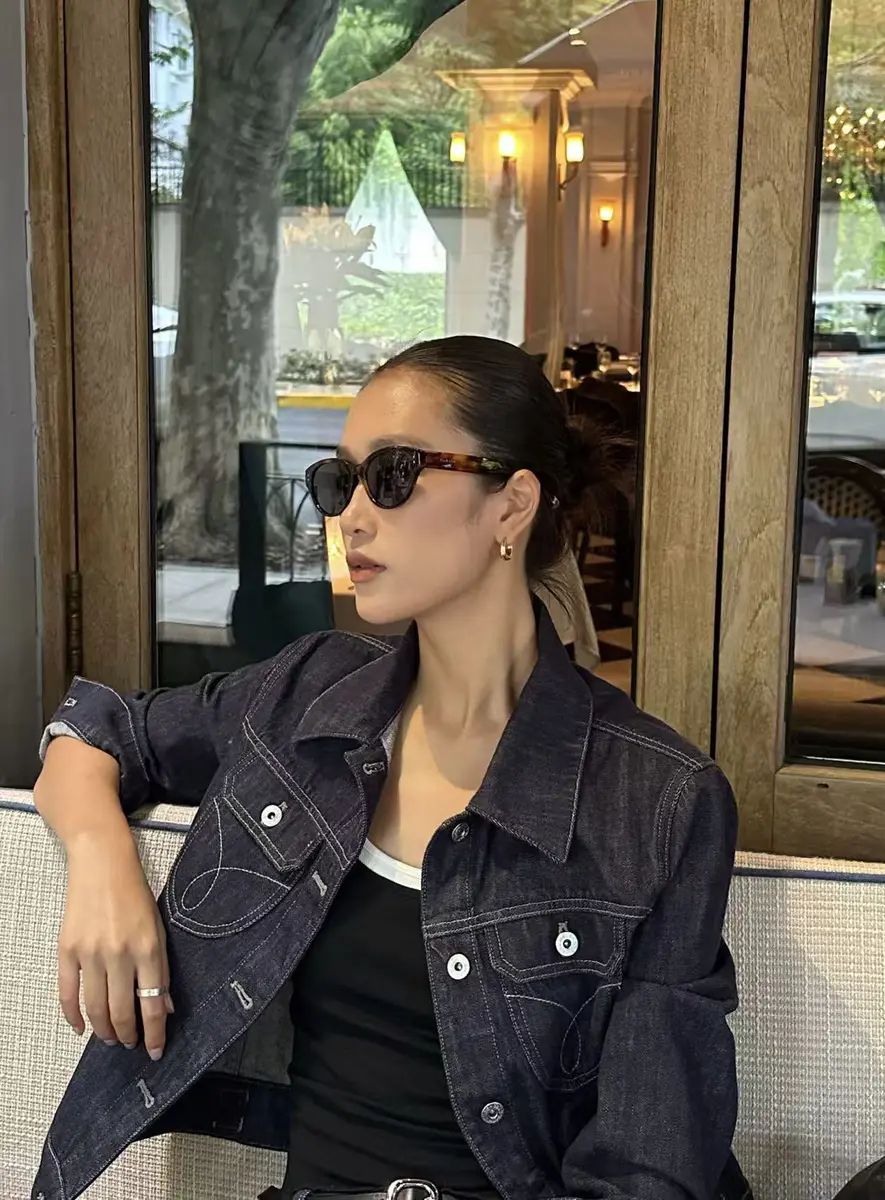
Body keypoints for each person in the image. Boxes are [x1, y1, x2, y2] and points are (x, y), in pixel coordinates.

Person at [31, 336, 751, 1200]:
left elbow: (647, 1167)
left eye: (395, 475)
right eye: (341, 482)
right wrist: (102, 867)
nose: (352, 517)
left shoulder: (660, 798)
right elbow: (97, 730)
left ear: (513, 506)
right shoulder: (308, 693)